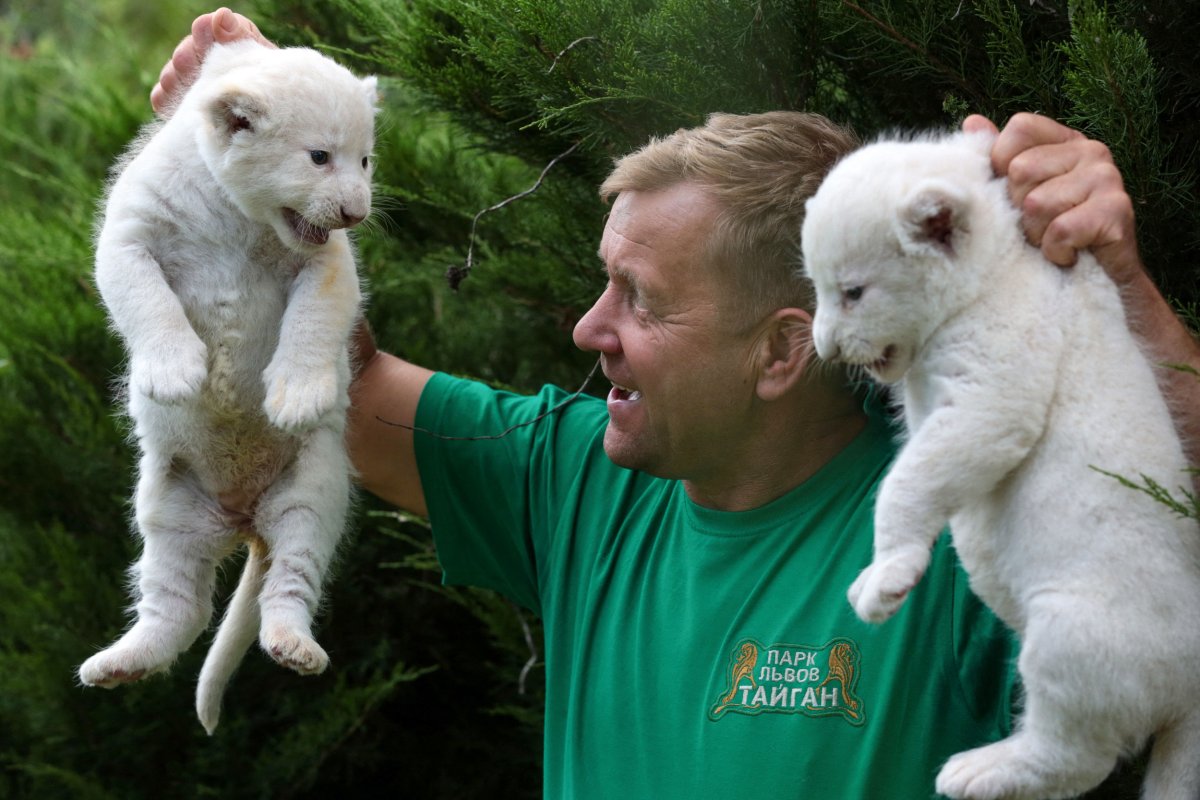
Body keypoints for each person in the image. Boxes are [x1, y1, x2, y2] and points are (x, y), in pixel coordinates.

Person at [154, 9, 1200, 797]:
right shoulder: (572, 480)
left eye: (639, 299)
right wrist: (234, 165)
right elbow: (320, 386)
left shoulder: (961, 530)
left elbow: (1175, 559)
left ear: (783, 352)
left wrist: (1122, 286)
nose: (588, 328)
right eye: (605, 280)